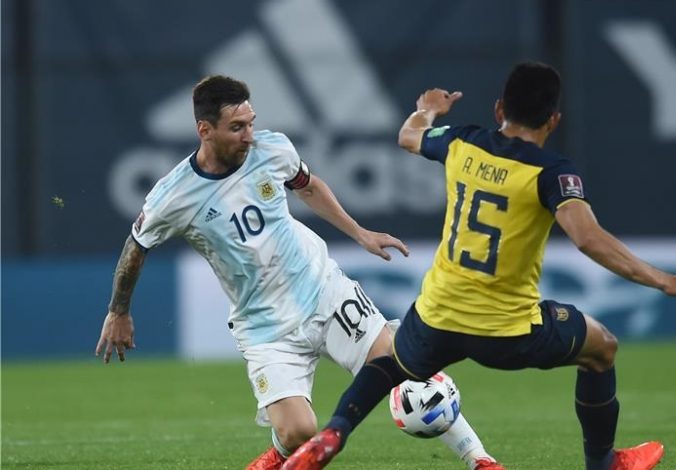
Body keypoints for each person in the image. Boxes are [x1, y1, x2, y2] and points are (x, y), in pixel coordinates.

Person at [282, 62, 676, 470]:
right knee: (601, 348)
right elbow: (588, 238)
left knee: (391, 362)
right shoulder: (552, 171)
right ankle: (603, 463)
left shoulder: (462, 142)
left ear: (499, 110)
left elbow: (409, 135)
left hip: (437, 315)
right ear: (554, 120)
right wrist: (665, 281)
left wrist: (427, 109)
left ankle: (334, 432)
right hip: (507, 331)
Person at [94, 75, 504, 470]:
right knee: (299, 432)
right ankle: (281, 451)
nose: (249, 135)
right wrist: (119, 311)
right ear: (205, 130)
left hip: (324, 289)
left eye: (250, 123)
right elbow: (136, 246)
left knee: (408, 373)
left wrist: (360, 233)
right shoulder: (174, 195)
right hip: (265, 325)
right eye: (236, 127)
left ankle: (481, 459)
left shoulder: (272, 148)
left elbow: (308, 186)